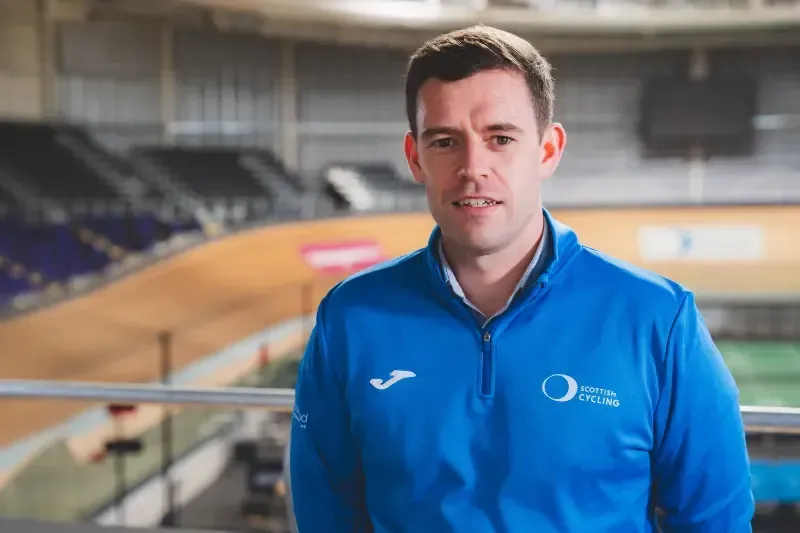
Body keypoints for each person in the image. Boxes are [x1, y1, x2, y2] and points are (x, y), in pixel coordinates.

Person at [289, 24, 754, 533]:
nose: (473, 167)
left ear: (548, 150)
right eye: (445, 141)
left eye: (501, 138)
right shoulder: (351, 317)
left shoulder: (658, 320)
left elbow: (716, 521)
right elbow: (325, 512)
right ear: (415, 157)